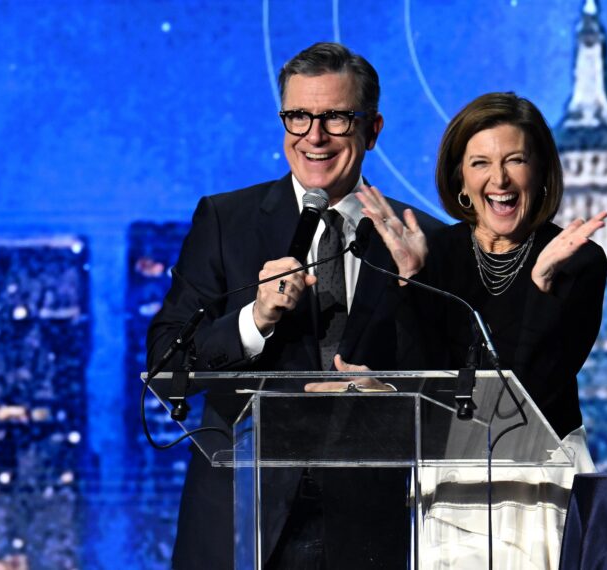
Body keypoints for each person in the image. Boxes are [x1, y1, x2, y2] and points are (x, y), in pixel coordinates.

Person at [147, 42, 441, 569]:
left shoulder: (422, 239)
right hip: (242, 512)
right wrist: (253, 321)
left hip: (372, 521)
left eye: (335, 118)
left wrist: (411, 291)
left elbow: (455, 392)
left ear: (373, 129)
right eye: (299, 116)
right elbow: (168, 364)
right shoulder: (225, 221)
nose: (314, 136)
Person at [357, 91, 607, 568]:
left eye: (516, 160)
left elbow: (533, 391)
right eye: (480, 163)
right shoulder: (435, 253)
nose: (500, 179)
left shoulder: (577, 258)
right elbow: (425, 379)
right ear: (461, 180)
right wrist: (411, 282)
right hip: (454, 482)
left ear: (540, 172)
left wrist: (541, 284)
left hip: (542, 479)